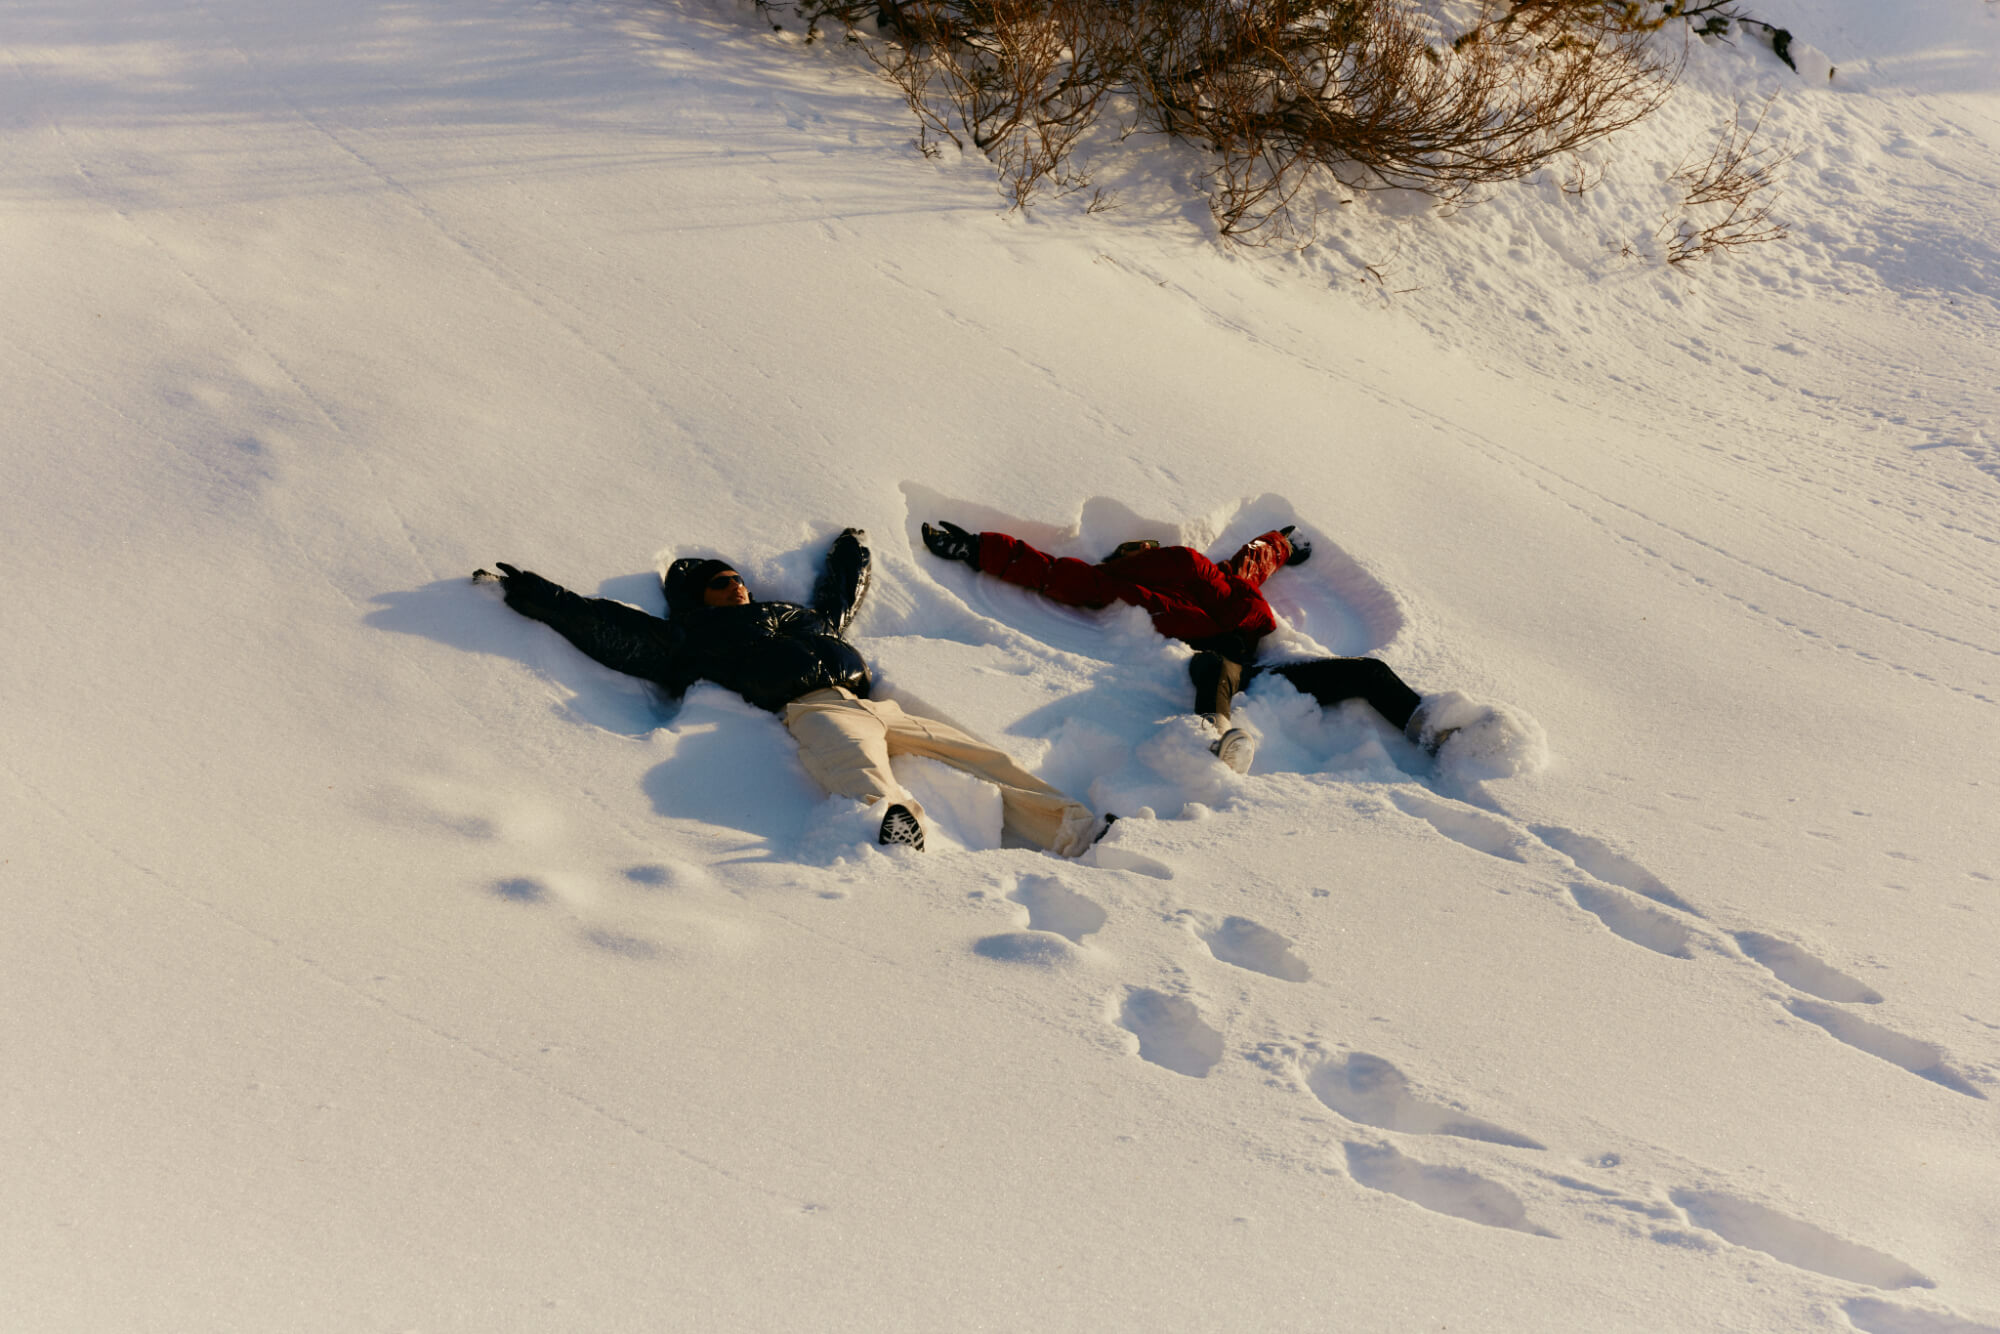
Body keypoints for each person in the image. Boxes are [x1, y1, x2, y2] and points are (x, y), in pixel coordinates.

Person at [476, 529, 1103, 855]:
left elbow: (837, 601)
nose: (737, 587)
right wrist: (536, 595)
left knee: (983, 758)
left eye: (738, 579)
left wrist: (850, 554)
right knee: (851, 761)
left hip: (871, 700)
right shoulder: (690, 638)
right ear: (700, 597)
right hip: (809, 707)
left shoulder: (797, 616)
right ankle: (892, 825)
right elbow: (606, 627)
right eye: (722, 583)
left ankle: (1072, 828)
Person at [920, 520, 1449, 772]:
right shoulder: (1118, 583)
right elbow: (1054, 572)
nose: (1147, 550)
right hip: (1240, 661)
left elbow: (1254, 561)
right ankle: (1219, 737)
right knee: (1214, 667)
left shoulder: (1214, 575)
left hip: (1269, 660)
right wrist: (977, 547)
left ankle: (1433, 731)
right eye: (1139, 550)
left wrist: (1284, 544)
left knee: (1369, 672)